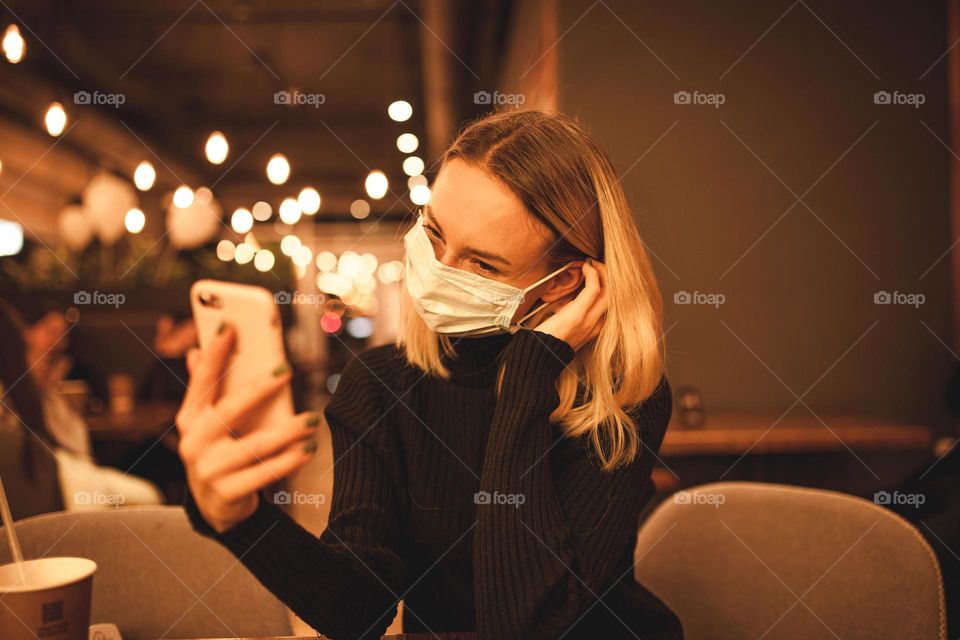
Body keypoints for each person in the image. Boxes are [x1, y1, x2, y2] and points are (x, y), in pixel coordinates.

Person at [179, 110, 682, 640]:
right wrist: (242, 520)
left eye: (483, 265)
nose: (439, 268)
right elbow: (360, 610)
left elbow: (532, 624)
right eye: (434, 233)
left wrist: (529, 377)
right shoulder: (382, 385)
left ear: (562, 285)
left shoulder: (619, 398)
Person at [0, 300, 164, 511]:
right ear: (27, 334)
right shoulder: (16, 385)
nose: (56, 341)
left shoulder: (62, 374)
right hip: (54, 472)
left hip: (67, 466)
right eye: (50, 332)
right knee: (148, 496)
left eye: (62, 334)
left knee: (148, 491)